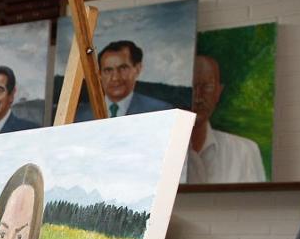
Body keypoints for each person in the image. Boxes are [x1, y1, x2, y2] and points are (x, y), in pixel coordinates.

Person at [183, 54, 267, 183]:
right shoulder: (159, 153)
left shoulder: (245, 151)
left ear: (218, 92)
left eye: (207, 87)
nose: (198, 97)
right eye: (192, 87)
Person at [76, 40, 173, 121]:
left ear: (137, 69)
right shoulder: (79, 116)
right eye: (108, 70)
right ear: (100, 74)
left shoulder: (160, 112)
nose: (115, 78)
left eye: (123, 68)